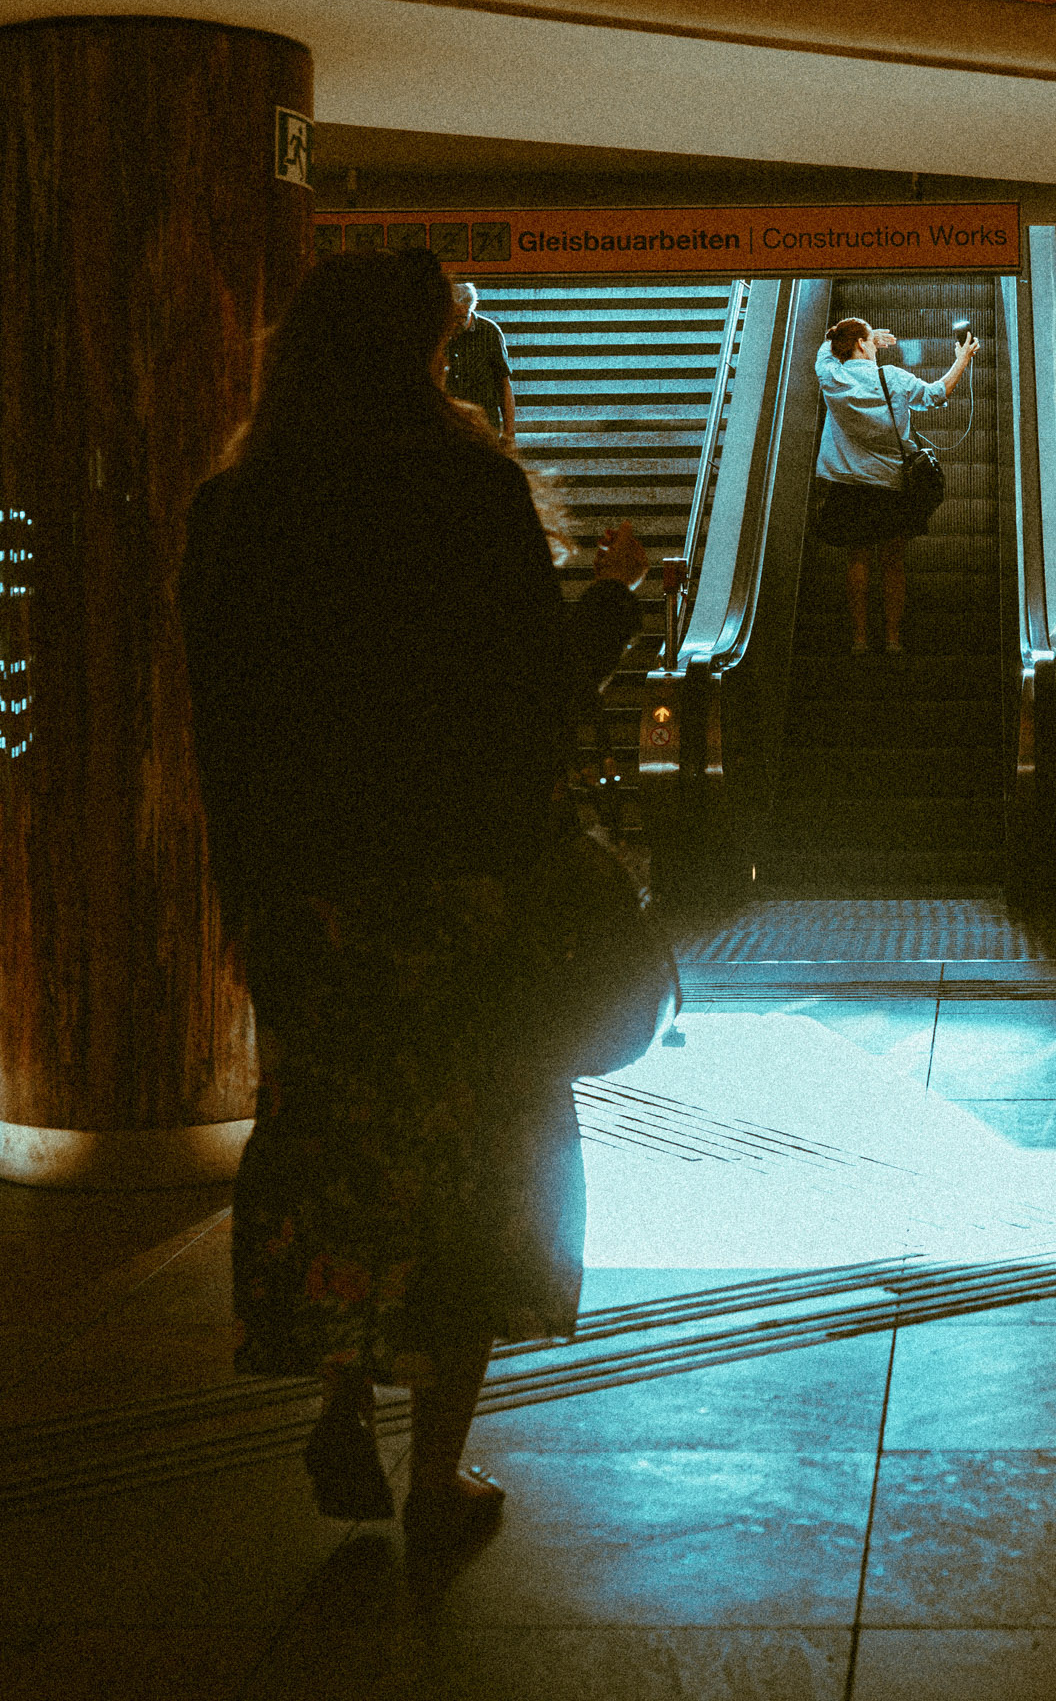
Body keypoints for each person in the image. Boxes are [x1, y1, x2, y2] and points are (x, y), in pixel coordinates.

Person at [177, 250, 646, 1564]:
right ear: (421, 351)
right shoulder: (466, 489)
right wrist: (615, 598)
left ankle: (339, 1401)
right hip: (457, 897)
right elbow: (534, 692)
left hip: (307, 898)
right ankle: (436, 1472)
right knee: (476, 1162)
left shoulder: (236, 506)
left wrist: (247, 894)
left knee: (338, 1144)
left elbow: (221, 722)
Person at [814, 316, 980, 653]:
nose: (876, 348)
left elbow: (825, 350)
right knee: (892, 562)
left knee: (857, 560)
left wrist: (861, 335)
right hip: (891, 485)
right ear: (861, 345)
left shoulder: (831, 376)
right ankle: (892, 639)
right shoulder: (891, 378)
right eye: (871, 342)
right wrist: (962, 359)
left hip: (848, 485)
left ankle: (859, 639)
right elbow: (936, 394)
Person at [444, 281, 515, 448]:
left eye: (461, 318)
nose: (455, 323)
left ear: (471, 309)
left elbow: (504, 385)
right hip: (448, 427)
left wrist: (509, 433)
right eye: (452, 317)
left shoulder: (488, 332)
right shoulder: (439, 331)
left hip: (483, 428)